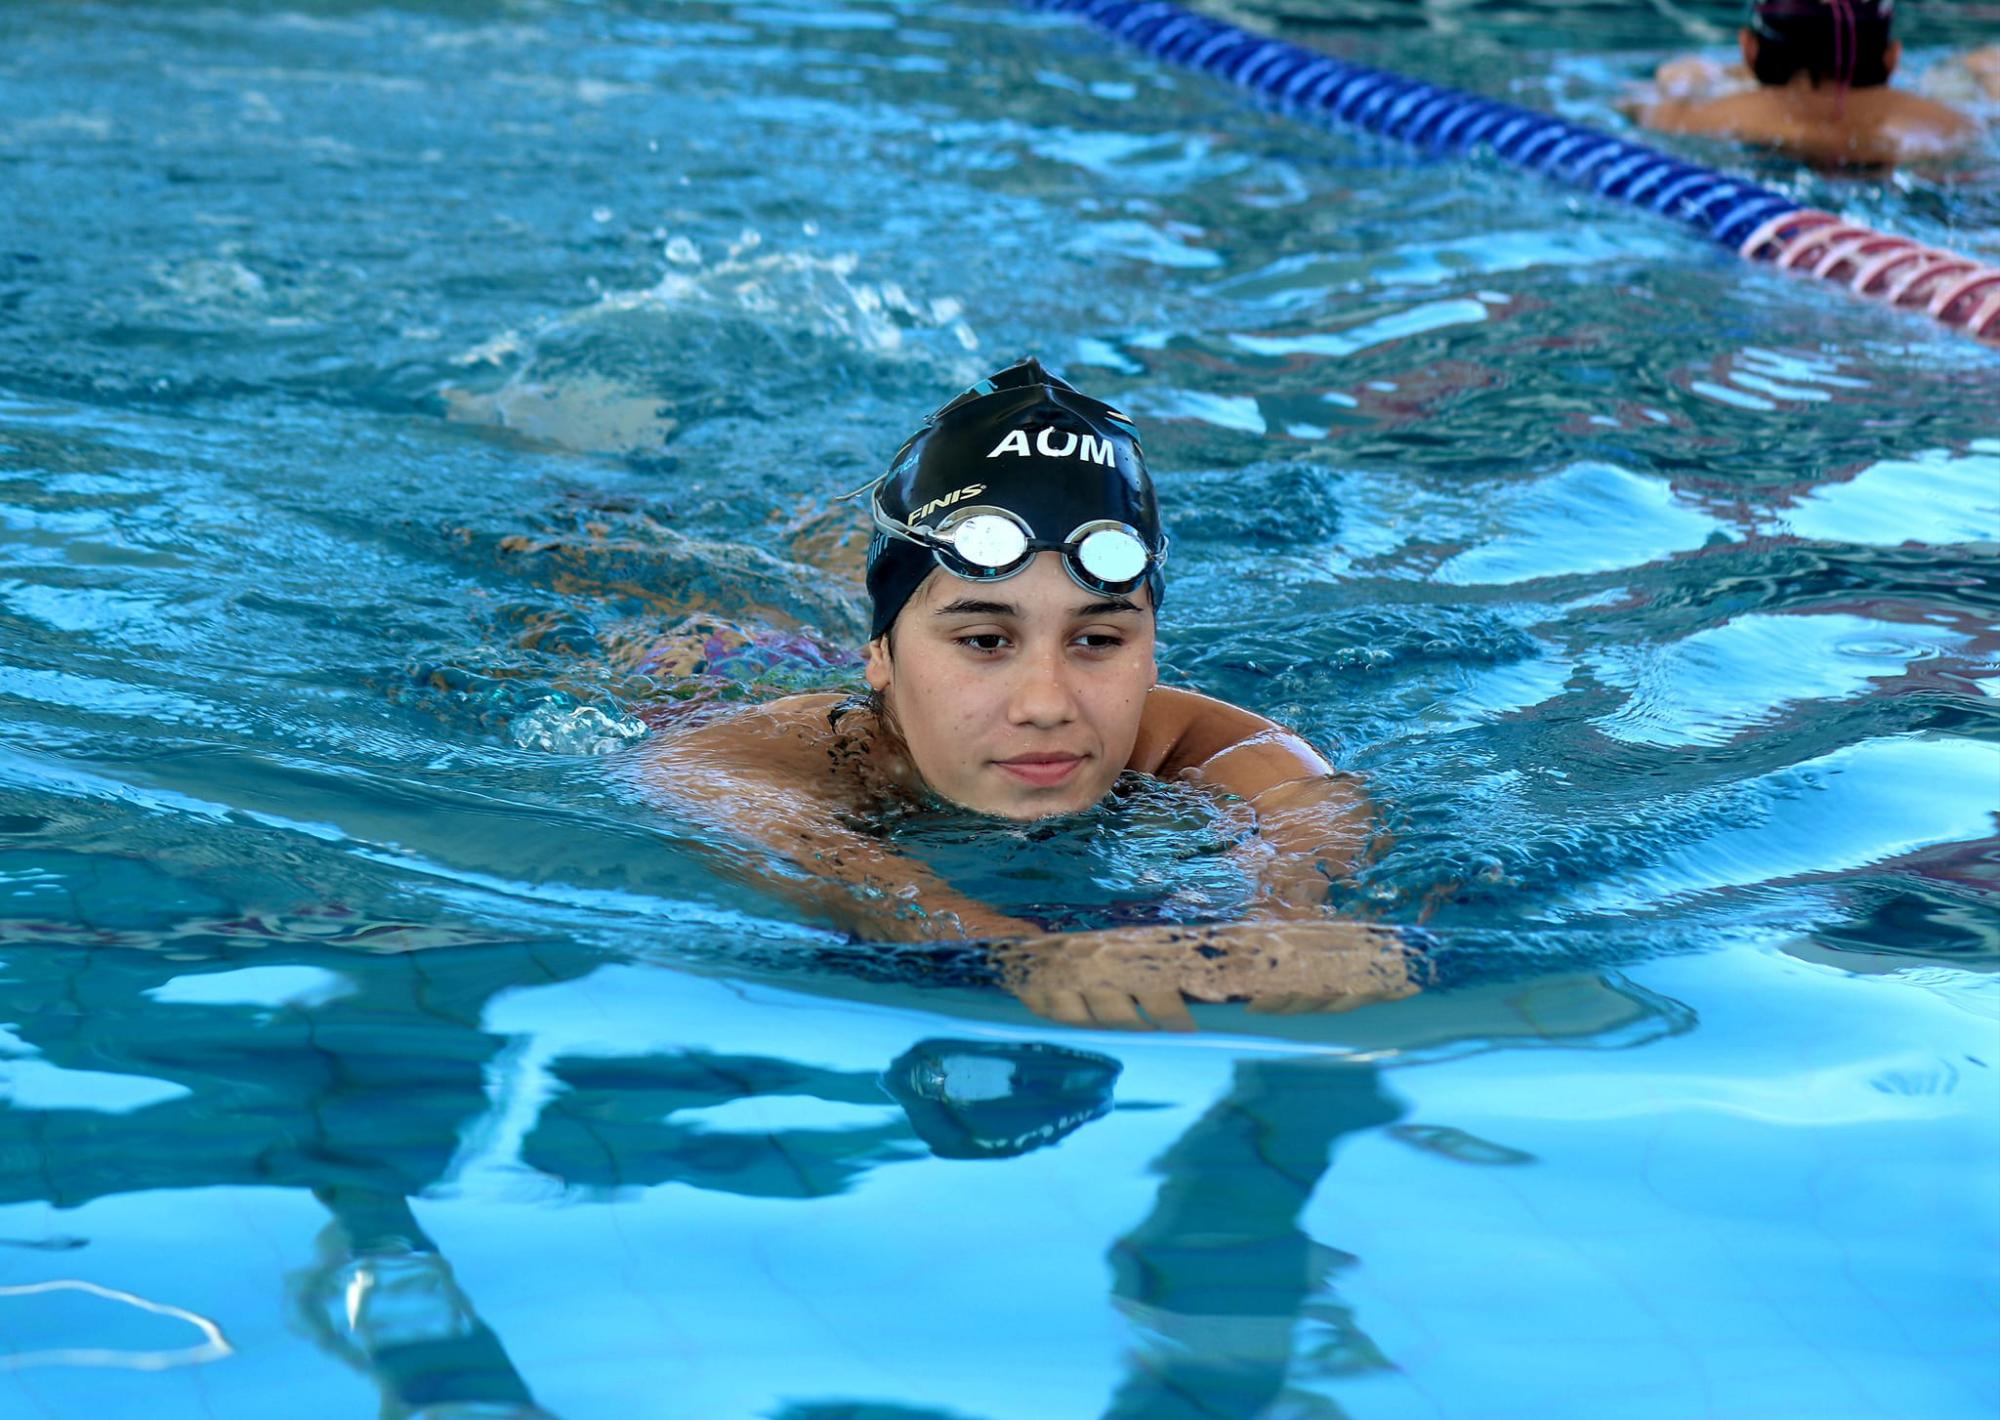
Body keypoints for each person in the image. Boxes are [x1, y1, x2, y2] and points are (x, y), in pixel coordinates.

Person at [640, 358, 1420, 1028]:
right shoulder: (796, 749)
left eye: (1098, 640)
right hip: (717, 658)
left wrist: (1301, 919)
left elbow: (1308, 822)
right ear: (879, 652)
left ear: (1153, 650)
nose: (1045, 704)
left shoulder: (1213, 747)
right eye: (984, 642)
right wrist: (1002, 946)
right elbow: (690, 780)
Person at [1634, 0, 1979, 167]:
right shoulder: (1952, 124)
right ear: (1892, 58)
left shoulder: (1703, 116)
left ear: (1748, 50)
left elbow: (1635, 109)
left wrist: (1676, 84)